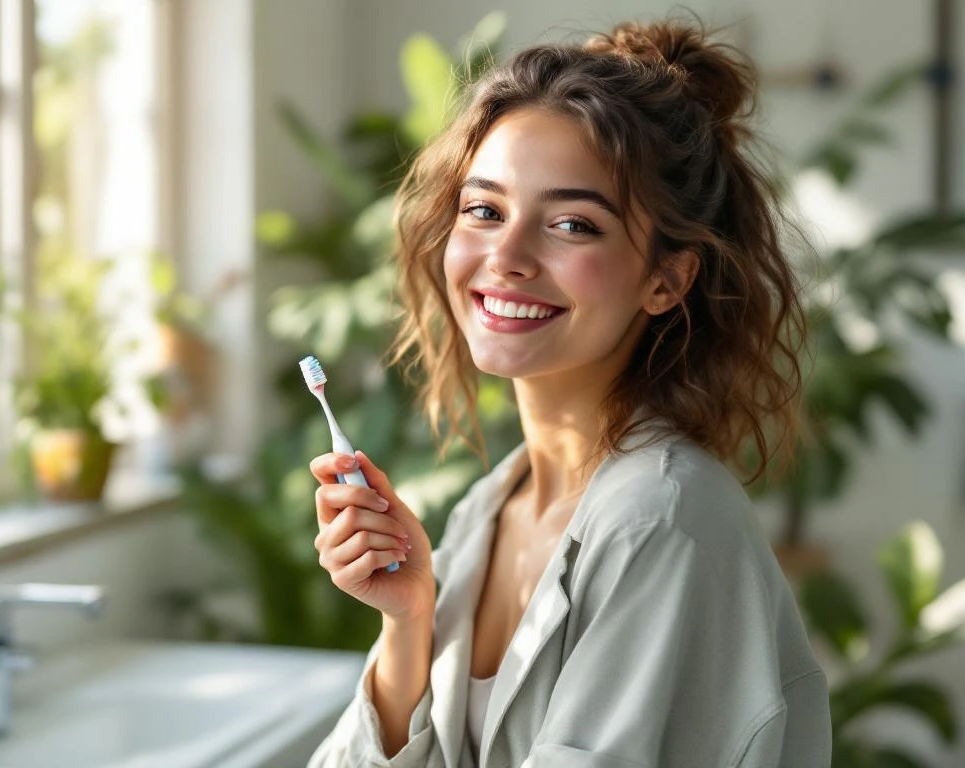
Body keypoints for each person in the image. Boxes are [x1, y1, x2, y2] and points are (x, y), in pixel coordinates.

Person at [307, 17, 831, 768]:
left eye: (573, 224)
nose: (507, 257)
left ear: (666, 278)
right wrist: (409, 622)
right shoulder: (490, 509)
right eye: (483, 210)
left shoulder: (663, 520)